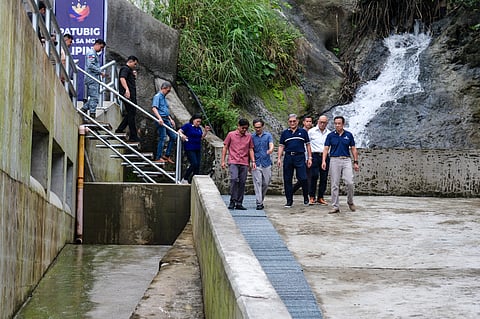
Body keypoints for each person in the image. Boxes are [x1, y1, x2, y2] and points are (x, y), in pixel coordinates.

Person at [322, 115, 359, 214]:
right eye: (336, 124)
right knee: (334, 184)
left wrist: (356, 162)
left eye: (339, 123)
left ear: (343, 124)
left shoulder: (349, 135)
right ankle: (335, 206)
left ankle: (350, 201)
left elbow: (353, 148)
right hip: (334, 159)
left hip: (346, 159)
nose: (337, 125)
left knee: (349, 182)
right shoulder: (330, 135)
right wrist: (324, 161)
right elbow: (326, 148)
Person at [277, 114, 312, 208]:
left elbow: (308, 145)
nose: (292, 123)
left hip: (300, 157)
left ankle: (305, 197)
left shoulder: (303, 132)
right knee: (287, 179)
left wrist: (310, 158)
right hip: (288, 157)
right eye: (290, 121)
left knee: (303, 178)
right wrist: (279, 158)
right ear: (288, 122)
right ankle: (289, 200)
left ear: (297, 121)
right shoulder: (285, 133)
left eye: (294, 121)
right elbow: (281, 146)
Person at [221, 118, 255, 210]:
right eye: (243, 128)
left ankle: (239, 202)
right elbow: (225, 147)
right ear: (238, 126)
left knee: (242, 182)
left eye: (246, 128)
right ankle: (233, 200)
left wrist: (253, 162)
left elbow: (250, 149)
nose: (244, 130)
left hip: (244, 162)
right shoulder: (231, 135)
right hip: (233, 161)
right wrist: (223, 161)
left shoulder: (249, 136)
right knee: (234, 179)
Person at [178, 114, 211, 183]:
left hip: (197, 148)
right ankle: (185, 178)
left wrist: (205, 131)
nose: (198, 123)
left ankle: (194, 181)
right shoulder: (188, 126)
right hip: (189, 147)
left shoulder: (198, 128)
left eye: (199, 122)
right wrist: (183, 136)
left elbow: (201, 137)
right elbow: (179, 131)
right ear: (193, 120)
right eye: (197, 121)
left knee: (198, 165)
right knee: (194, 163)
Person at [115, 56, 140, 142]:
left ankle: (120, 129)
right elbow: (122, 78)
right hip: (127, 95)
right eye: (135, 64)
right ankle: (133, 135)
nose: (135, 66)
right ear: (131, 61)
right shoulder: (125, 69)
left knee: (131, 113)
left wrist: (134, 76)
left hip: (131, 95)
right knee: (131, 113)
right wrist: (127, 90)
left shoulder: (129, 71)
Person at [251, 118, 274, 210]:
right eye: (256, 127)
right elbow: (250, 149)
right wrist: (251, 161)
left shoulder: (268, 135)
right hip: (256, 163)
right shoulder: (252, 137)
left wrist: (271, 149)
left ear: (262, 126)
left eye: (259, 127)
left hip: (266, 162)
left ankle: (261, 199)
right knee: (257, 182)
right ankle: (259, 203)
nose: (257, 129)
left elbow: (271, 144)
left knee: (266, 182)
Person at [308, 115, 331, 205]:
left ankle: (320, 197)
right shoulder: (311, 131)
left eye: (324, 122)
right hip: (314, 155)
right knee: (314, 176)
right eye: (320, 122)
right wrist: (308, 157)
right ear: (318, 122)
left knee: (324, 177)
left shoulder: (329, 133)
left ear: (327, 123)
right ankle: (312, 196)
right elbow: (307, 145)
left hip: (325, 156)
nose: (322, 124)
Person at [81, 39, 106, 119]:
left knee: (94, 98)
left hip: (94, 78)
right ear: (97, 44)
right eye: (101, 47)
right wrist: (100, 71)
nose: (100, 50)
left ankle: (83, 110)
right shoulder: (91, 53)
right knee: (94, 97)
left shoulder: (94, 53)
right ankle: (91, 114)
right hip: (92, 78)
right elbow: (90, 65)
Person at [152, 81, 176, 164]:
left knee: (174, 136)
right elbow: (154, 108)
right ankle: (158, 157)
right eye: (168, 90)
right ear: (163, 88)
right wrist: (159, 119)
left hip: (166, 119)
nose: (168, 92)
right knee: (163, 137)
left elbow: (165, 110)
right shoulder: (157, 96)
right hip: (161, 119)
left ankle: (167, 155)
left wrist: (170, 119)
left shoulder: (164, 98)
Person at [292, 115, 313, 194]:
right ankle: (292, 190)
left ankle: (309, 195)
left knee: (309, 176)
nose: (308, 123)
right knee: (302, 177)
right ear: (303, 122)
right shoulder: (299, 131)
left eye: (310, 121)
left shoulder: (313, 132)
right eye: (307, 121)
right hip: (300, 157)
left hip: (310, 157)